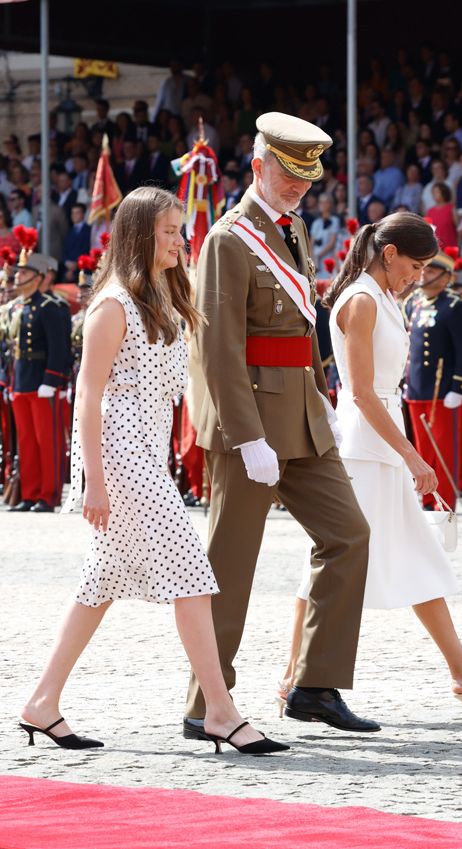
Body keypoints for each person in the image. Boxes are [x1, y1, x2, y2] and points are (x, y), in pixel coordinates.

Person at [19, 187, 288, 756]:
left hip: (146, 450)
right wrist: (92, 479)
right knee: (192, 571)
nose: (179, 240)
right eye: (168, 231)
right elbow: (87, 397)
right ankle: (220, 710)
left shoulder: (163, 296)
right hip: (118, 455)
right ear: (140, 234)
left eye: (179, 230)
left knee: (99, 584)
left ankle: (42, 703)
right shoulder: (113, 305)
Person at [278, 213, 462, 715]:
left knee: (417, 556)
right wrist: (412, 455)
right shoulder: (363, 300)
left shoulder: (383, 297)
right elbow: (364, 393)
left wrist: (407, 451)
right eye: (415, 265)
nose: (419, 276)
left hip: (380, 443)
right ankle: (293, 677)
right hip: (365, 447)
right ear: (389, 253)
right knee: (334, 562)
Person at [185, 112, 380, 736]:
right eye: (287, 174)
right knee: (230, 564)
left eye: (306, 178)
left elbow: (300, 327)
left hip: (301, 414)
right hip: (251, 426)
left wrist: (318, 392)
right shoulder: (228, 238)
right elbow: (218, 348)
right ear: (258, 166)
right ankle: (207, 705)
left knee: (348, 533)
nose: (298, 188)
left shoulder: (291, 229)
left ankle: (314, 685)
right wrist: (245, 435)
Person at [404, 250, 462, 510]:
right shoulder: (414, 303)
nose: (424, 276)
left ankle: (444, 500)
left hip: (441, 389)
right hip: (418, 386)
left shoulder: (454, 306)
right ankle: (428, 498)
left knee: (442, 449)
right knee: (423, 449)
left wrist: (459, 386)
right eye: (424, 270)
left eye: (431, 272)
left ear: (446, 277)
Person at [8, 253, 71, 513]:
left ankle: (48, 495)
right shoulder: (20, 307)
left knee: (47, 441)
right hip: (22, 380)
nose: (17, 277)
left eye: (23, 273)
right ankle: (30, 493)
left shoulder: (50, 307)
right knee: (27, 442)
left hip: (43, 382)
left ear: (40, 277)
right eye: (18, 273)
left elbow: (60, 348)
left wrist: (52, 379)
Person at [426, 183, 458, 250]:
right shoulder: (430, 211)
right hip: (435, 247)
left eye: (437, 192)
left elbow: (458, 226)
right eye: (433, 192)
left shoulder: (451, 208)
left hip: (450, 246)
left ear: (444, 193)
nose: (434, 195)